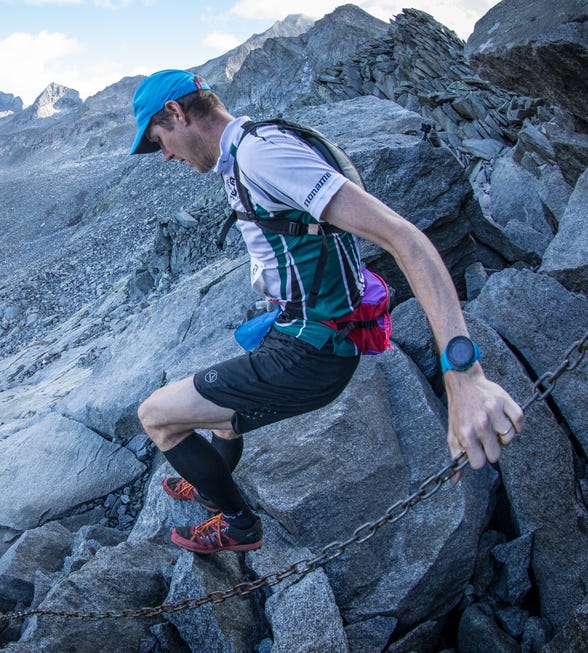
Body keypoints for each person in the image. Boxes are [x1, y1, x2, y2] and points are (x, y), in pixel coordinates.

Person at [129, 69, 525, 554]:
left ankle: (238, 526)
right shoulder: (249, 146)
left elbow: (404, 239)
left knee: (157, 416)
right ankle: (209, 481)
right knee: (217, 414)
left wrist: (462, 374)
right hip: (304, 335)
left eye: (160, 139)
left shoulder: (262, 156)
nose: (166, 154)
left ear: (177, 112)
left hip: (307, 354)